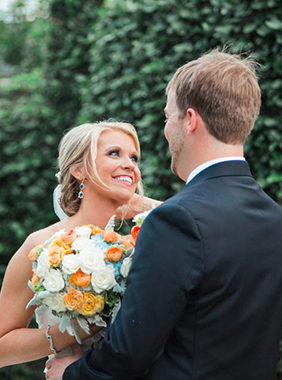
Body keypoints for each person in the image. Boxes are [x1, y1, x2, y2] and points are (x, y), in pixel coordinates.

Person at [47, 50, 282, 380]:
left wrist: (69, 374)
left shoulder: (177, 222)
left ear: (190, 120)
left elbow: (128, 354)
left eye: (167, 117)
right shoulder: (274, 218)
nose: (166, 130)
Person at [0, 121, 160, 369]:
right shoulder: (43, 245)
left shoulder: (136, 245)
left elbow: (191, 222)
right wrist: (73, 331)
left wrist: (145, 205)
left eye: (134, 158)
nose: (131, 164)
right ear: (79, 170)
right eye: (114, 153)